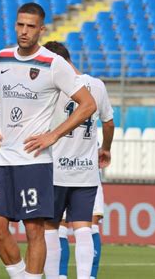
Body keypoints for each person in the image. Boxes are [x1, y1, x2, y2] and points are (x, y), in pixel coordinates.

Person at [0, 2, 97, 279]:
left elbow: (87, 104)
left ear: (41, 30)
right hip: (2, 158)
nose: (24, 31)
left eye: (31, 27)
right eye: (20, 25)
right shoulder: (2, 58)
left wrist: (53, 135)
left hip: (34, 161)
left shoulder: (53, 64)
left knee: (34, 230)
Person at [42, 41, 114, 279]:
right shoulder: (97, 85)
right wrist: (106, 148)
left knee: (51, 228)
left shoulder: (52, 88)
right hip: (86, 169)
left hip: (56, 169)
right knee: (85, 227)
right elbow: (109, 122)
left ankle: (57, 277)